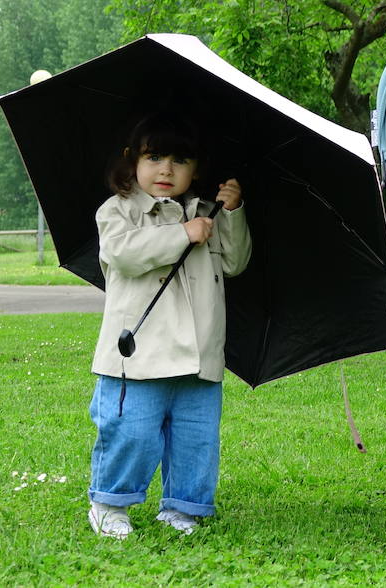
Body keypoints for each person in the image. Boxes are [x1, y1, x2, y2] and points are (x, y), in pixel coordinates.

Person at [86, 112, 251, 538]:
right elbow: (124, 253)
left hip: (198, 353)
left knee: (196, 437)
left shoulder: (206, 212)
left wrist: (230, 214)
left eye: (180, 160)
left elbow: (235, 262)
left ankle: (183, 506)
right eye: (154, 156)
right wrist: (182, 234)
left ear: (196, 169)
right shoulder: (119, 212)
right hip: (139, 353)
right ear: (131, 161)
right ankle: (110, 503)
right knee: (131, 431)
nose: (166, 169)